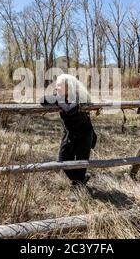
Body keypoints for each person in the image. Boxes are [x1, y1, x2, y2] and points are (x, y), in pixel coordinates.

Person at [40, 74, 97, 202]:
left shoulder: (78, 97)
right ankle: (80, 180)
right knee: (62, 161)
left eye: (59, 84)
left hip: (84, 134)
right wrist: (57, 99)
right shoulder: (60, 97)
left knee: (80, 162)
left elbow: (70, 110)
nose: (56, 86)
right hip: (70, 133)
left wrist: (58, 100)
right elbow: (42, 99)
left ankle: (77, 188)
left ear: (68, 86)